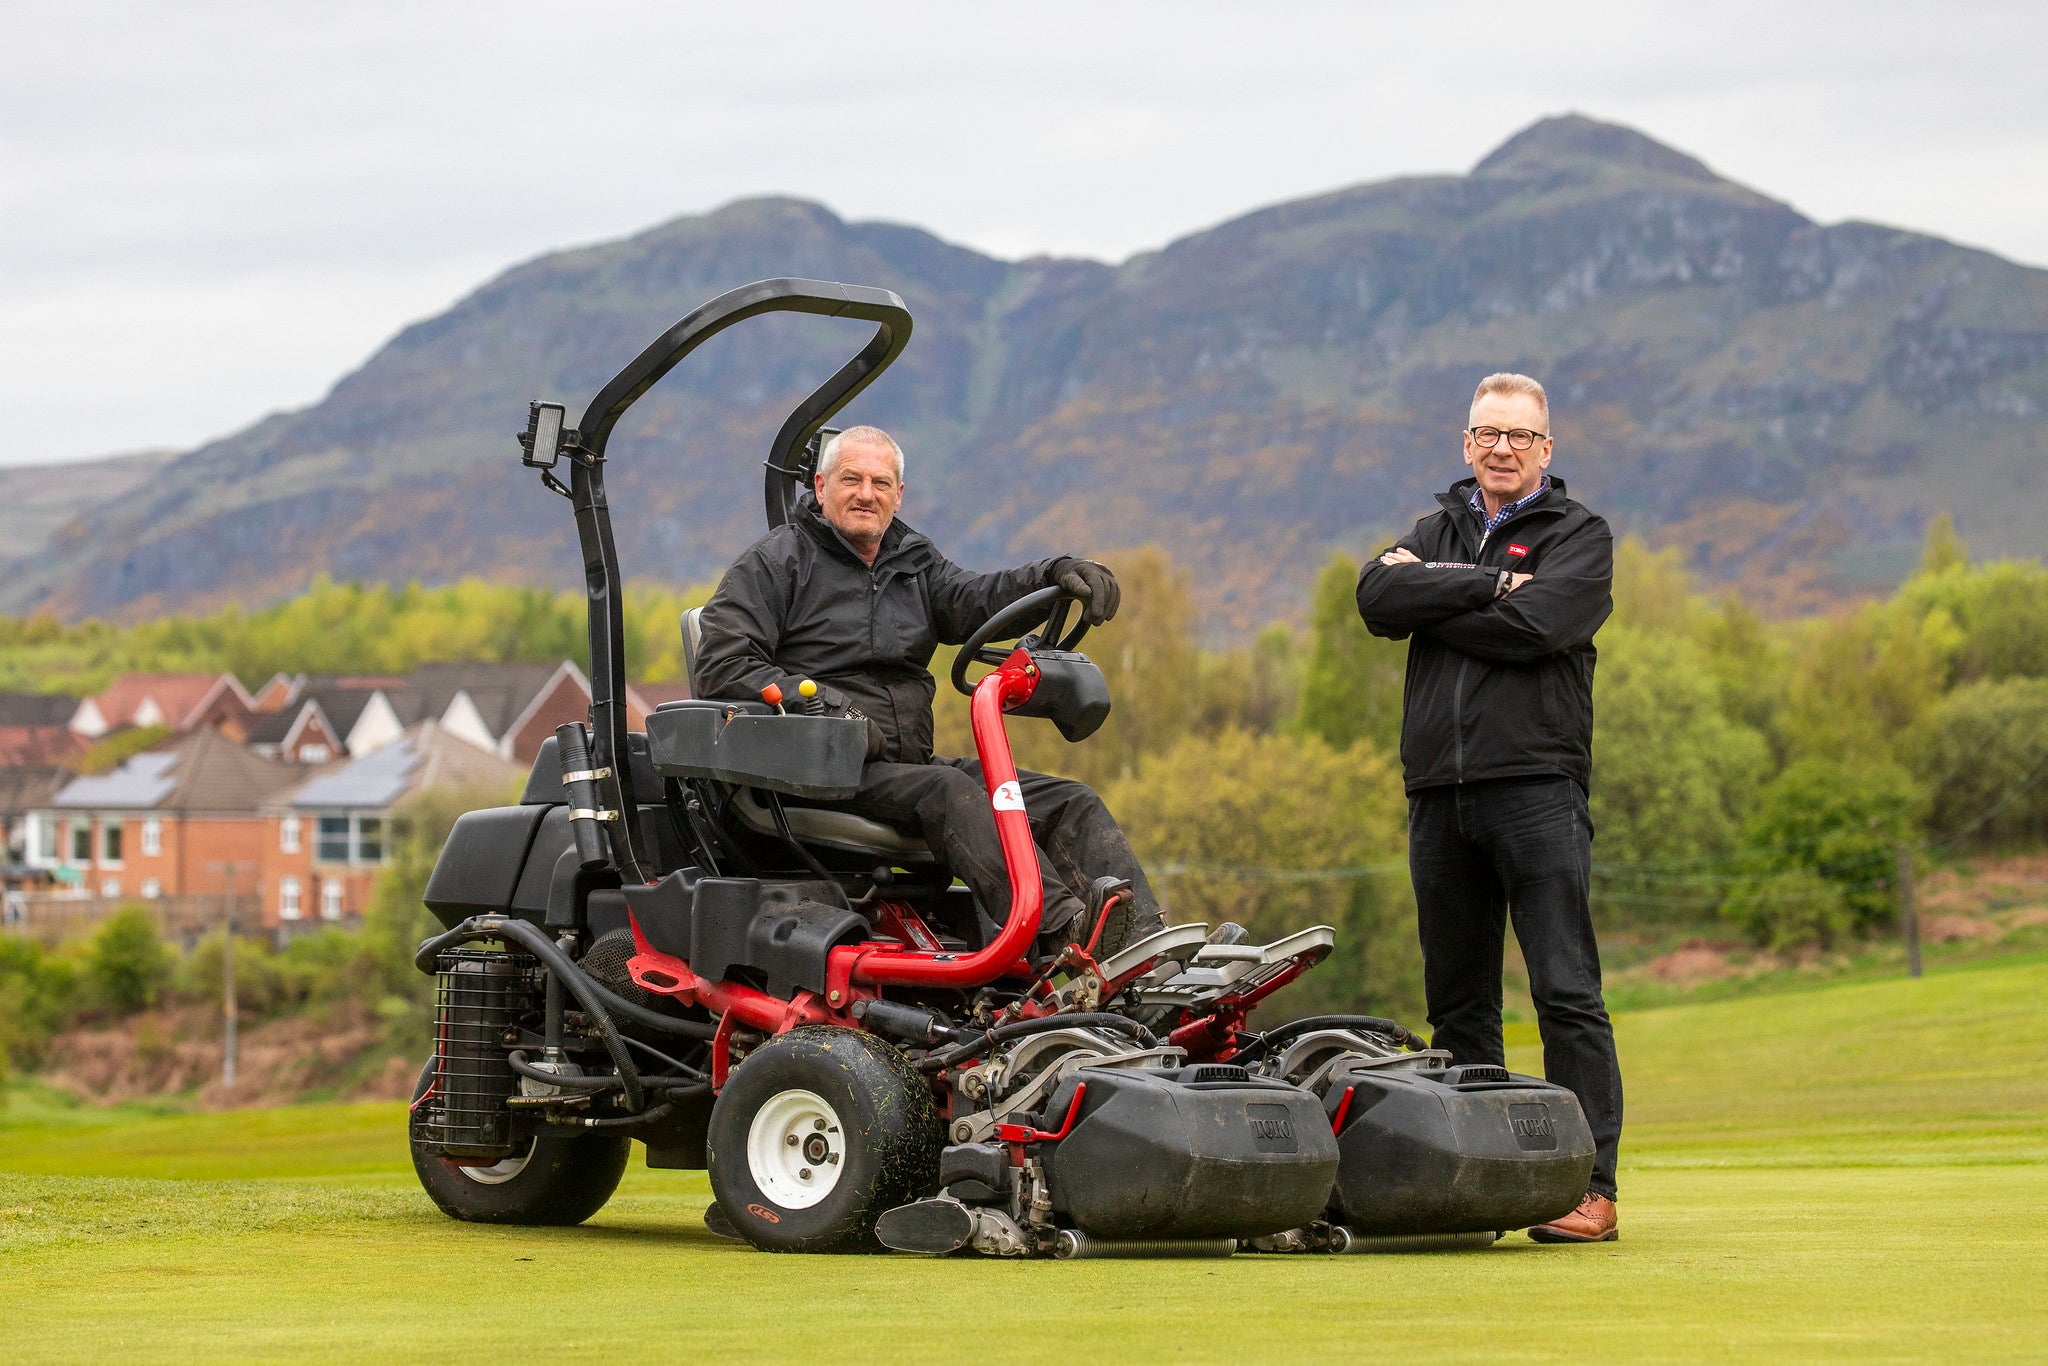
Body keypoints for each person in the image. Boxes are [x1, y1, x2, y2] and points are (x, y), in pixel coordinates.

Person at [694, 424, 1163, 956]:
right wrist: (825, 708)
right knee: (952, 793)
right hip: (826, 773)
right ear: (821, 486)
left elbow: (975, 598)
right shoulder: (778, 563)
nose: (865, 494)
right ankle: (1060, 932)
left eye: (879, 482)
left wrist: (1054, 576)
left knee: (1069, 801)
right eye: (851, 479)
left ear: (899, 495)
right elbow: (723, 661)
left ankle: (1145, 952)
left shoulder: (912, 560)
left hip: (908, 765)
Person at [1353, 372, 1623, 1243]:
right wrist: (1486, 583)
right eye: (1486, 434)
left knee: (1565, 992)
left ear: (1547, 448)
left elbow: (1540, 629)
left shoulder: (1581, 535)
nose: (1501, 448)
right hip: (1439, 794)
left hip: (1537, 788)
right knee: (1459, 1002)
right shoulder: (1438, 527)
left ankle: (1590, 1186)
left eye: (1519, 436)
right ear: (1466, 443)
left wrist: (1436, 594)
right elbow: (1374, 598)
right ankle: (1487, 1185)